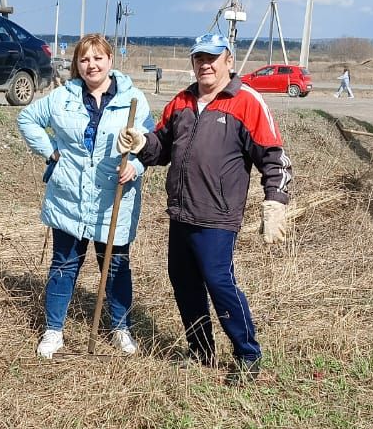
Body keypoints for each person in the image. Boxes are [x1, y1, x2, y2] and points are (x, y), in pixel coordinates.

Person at [116, 32, 292, 384]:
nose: (205, 64)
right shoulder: (181, 102)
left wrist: (275, 201)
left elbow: (273, 157)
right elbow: (161, 148)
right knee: (184, 283)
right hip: (181, 211)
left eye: (213, 57)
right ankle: (200, 351)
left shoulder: (247, 102)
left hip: (218, 216)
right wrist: (141, 142)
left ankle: (247, 353)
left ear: (229, 60)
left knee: (219, 282)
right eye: (199, 58)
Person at [17, 33, 154, 359]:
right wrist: (50, 151)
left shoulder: (134, 100)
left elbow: (150, 142)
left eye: (98, 58)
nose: (91, 64)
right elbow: (27, 119)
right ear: (78, 64)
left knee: (116, 266)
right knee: (64, 265)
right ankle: (53, 331)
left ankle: (121, 329)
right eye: (84, 59)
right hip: (70, 198)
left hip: (113, 198)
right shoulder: (62, 97)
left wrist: (134, 165)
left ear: (109, 60)